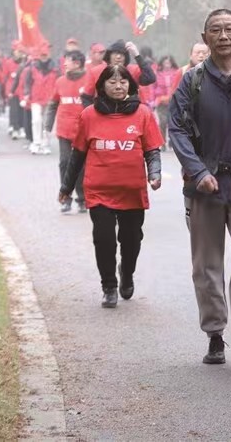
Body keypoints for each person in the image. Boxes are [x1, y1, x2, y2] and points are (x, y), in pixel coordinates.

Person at [168, 8, 231, 368]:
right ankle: (214, 335)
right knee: (207, 264)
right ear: (205, 37)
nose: (223, 36)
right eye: (215, 30)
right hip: (204, 188)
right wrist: (197, 172)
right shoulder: (192, 81)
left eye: (229, 29)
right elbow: (177, 130)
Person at [59, 65, 163, 307]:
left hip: (132, 191)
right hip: (99, 191)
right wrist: (66, 188)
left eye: (123, 82)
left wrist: (155, 174)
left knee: (132, 240)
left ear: (131, 85)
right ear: (102, 86)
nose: (118, 86)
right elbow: (77, 155)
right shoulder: (88, 115)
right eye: (112, 82)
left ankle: (126, 273)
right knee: (103, 239)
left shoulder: (143, 114)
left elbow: (152, 150)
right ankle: (109, 286)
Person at [45, 50, 89, 214]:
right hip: (64, 131)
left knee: (81, 167)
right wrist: (47, 126)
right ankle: (66, 198)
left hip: (83, 132)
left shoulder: (89, 82)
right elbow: (52, 104)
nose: (64, 64)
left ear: (77, 63)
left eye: (67, 61)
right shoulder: (60, 82)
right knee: (64, 163)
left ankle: (82, 199)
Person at [23, 42, 58, 154]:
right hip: (36, 98)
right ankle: (36, 142)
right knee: (36, 121)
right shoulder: (32, 67)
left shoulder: (55, 68)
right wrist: (27, 93)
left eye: (45, 54)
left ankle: (45, 143)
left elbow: (59, 82)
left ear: (49, 54)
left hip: (50, 99)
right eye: (42, 55)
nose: (44, 57)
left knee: (47, 123)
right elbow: (27, 82)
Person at [87, 40, 157, 88]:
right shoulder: (96, 71)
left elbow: (150, 78)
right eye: (115, 54)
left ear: (126, 58)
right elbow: (87, 97)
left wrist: (137, 55)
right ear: (109, 56)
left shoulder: (133, 70)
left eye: (122, 54)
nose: (118, 57)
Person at [151, 54, 180, 147]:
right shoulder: (157, 73)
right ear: (162, 64)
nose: (167, 65)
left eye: (169, 63)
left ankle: (172, 140)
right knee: (163, 122)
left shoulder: (177, 72)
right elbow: (153, 87)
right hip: (161, 102)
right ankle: (162, 142)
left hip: (174, 101)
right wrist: (153, 100)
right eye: (165, 63)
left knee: (173, 122)